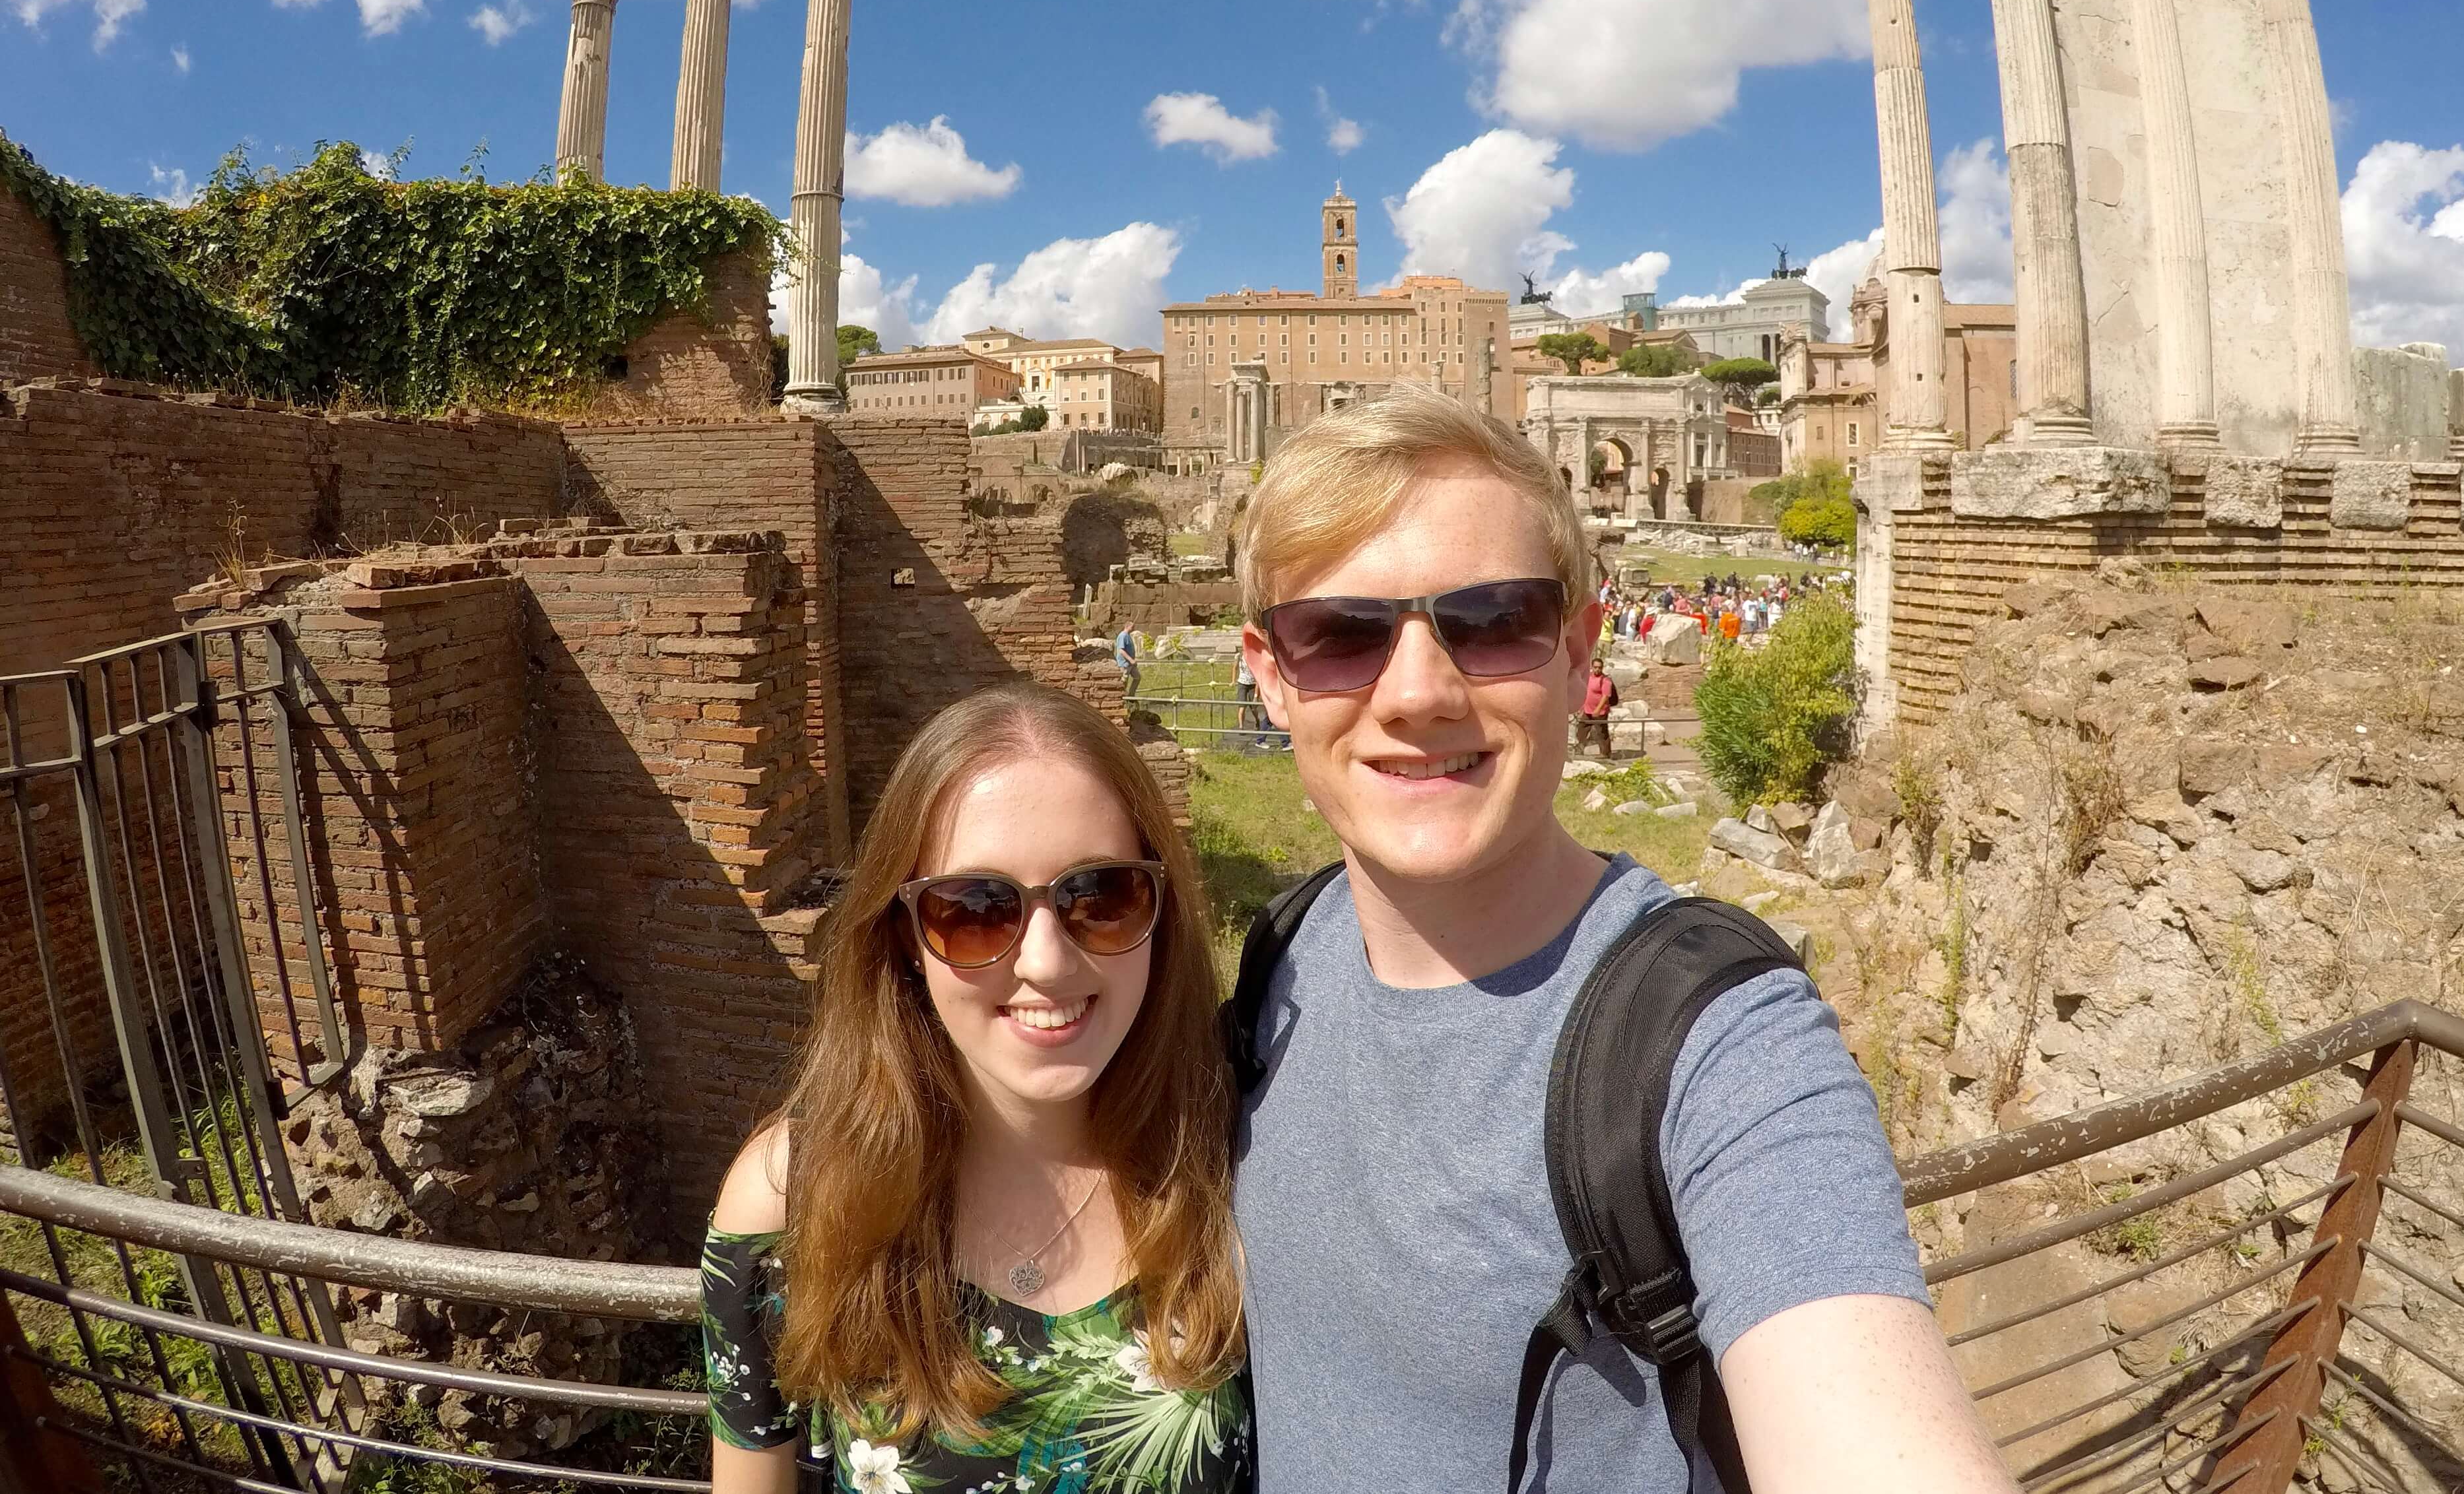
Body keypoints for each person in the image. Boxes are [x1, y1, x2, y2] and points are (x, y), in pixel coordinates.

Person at [1230, 389, 2014, 1494]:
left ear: (1576, 653)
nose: (1417, 692)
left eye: (1493, 618)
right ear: (1269, 674)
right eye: (1341, 634)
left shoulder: (1722, 1047)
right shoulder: (1281, 957)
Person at [703, 684, 1249, 1493]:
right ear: (904, 940)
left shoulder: (1241, 1159)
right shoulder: (791, 1201)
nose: (1045, 961)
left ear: (1159, 912)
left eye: (1098, 896)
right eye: (976, 909)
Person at [1576, 656, 1615, 758]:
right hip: (1587, 710)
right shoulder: (1588, 678)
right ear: (1592, 667)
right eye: (1595, 667)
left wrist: (1598, 709)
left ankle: (1605, 753)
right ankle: (1580, 749)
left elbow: (1606, 696)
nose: (1597, 669)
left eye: (1600, 667)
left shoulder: (1605, 680)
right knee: (1581, 729)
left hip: (1600, 711)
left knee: (1601, 733)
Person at [1114, 620, 1142, 699]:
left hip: (1131, 663)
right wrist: (1131, 660)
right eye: (1132, 627)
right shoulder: (1123, 636)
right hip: (1124, 663)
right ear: (1127, 627)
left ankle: (1131, 696)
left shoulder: (1128, 635)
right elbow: (1121, 651)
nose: (1133, 629)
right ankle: (1121, 698)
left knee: (1137, 677)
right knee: (1124, 680)